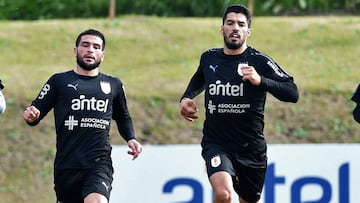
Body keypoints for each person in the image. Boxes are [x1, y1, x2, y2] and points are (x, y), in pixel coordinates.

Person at [179, 5, 299, 203]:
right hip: (216, 142)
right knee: (223, 194)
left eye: (241, 24)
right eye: (230, 23)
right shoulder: (209, 57)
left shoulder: (259, 62)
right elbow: (200, 78)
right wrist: (186, 98)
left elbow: (292, 92)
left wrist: (261, 80)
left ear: (248, 32)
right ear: (222, 29)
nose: (235, 27)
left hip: (251, 148)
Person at [22, 29, 142, 203]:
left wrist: (131, 138)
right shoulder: (59, 81)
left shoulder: (113, 85)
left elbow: (123, 117)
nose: (90, 50)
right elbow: (36, 110)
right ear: (75, 50)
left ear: (102, 54)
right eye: (85, 45)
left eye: (96, 47)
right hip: (67, 165)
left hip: (98, 162)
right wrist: (31, 116)